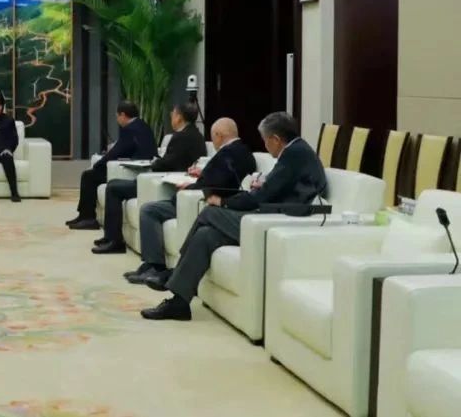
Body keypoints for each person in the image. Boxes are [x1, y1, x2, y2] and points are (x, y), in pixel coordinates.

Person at [140, 111, 327, 321]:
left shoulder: (293, 155)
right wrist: (263, 184)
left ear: (275, 139)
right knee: (205, 236)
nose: (265, 145)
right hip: (270, 215)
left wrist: (224, 202)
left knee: (210, 212)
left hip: (277, 221)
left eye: (265, 140)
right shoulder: (297, 151)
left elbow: (259, 198)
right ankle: (179, 303)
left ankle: (174, 273)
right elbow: (276, 187)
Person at [124, 118, 256, 284]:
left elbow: (215, 185)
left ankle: (155, 266)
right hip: (205, 198)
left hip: (201, 202)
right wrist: (201, 175)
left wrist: (189, 187)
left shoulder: (227, 154)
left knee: (149, 210)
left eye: (213, 137)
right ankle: (151, 265)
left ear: (219, 135)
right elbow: (220, 178)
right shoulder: (243, 151)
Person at [93, 103, 207, 254]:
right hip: (164, 179)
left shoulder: (182, 137)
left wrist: (155, 163)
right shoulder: (195, 135)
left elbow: (169, 163)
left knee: (113, 187)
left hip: (165, 183)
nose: (171, 116)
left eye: (172, 113)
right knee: (114, 185)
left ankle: (114, 240)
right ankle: (110, 237)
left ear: (179, 117)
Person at [67, 101, 157, 230]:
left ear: (123, 115)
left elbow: (116, 152)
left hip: (130, 171)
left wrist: (98, 164)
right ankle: (83, 216)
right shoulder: (143, 125)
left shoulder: (129, 129)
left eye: (117, 116)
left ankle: (88, 218)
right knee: (91, 175)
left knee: (89, 176)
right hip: (139, 168)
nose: (117, 119)